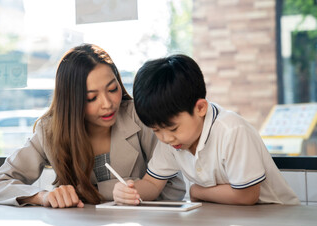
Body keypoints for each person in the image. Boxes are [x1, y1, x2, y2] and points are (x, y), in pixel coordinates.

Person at [0, 44, 185, 208]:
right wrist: (42, 196)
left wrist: (96, 193)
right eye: (91, 98)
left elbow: (174, 189)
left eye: (112, 89)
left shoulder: (140, 117)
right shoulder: (50, 131)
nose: (107, 104)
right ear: (71, 102)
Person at [112, 54, 300, 206]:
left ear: (200, 108)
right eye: (156, 130)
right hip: (232, 217)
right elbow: (152, 184)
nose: (165, 138)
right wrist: (129, 192)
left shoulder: (231, 130)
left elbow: (247, 195)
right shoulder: (173, 140)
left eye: (173, 128)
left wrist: (197, 191)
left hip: (277, 214)